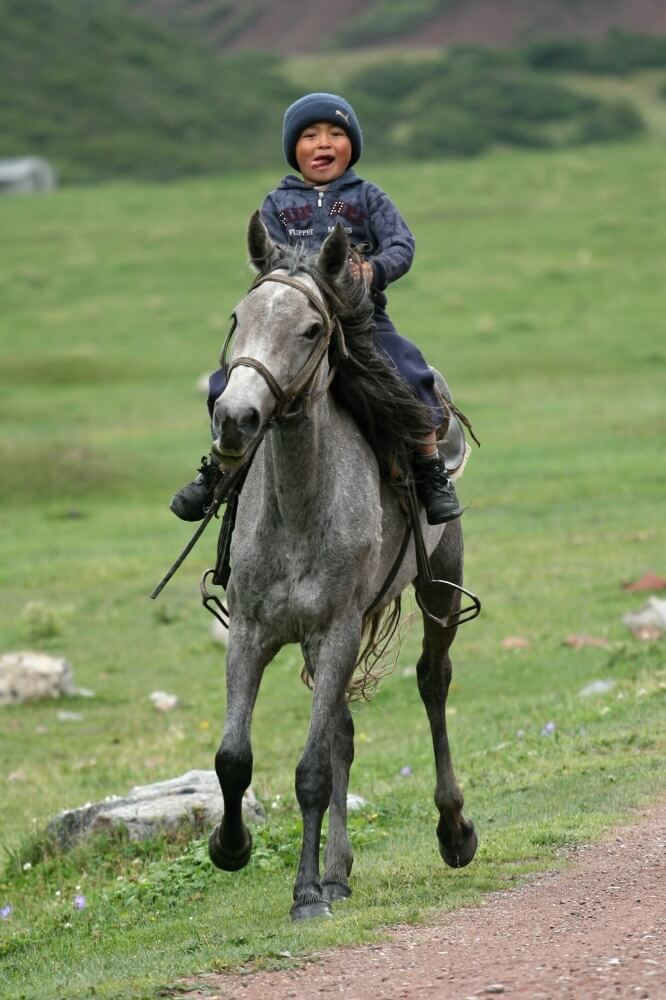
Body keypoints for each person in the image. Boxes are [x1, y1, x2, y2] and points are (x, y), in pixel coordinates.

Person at [170, 92, 462, 525]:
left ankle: (430, 472)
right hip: (290, 325)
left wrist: (373, 270)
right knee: (227, 385)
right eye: (310, 135)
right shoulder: (277, 205)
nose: (323, 143)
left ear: (352, 145)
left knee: (411, 372)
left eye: (336, 133)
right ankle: (219, 470)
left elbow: (403, 244)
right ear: (294, 150)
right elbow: (267, 258)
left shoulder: (367, 196)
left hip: (360, 320)